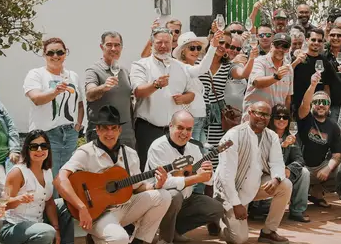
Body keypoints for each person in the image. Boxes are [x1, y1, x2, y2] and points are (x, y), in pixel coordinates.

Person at [56, 105, 171, 244]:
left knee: (163, 196)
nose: (109, 133)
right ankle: (94, 240)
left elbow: (137, 188)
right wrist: (81, 207)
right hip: (96, 214)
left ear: (119, 130)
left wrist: (157, 185)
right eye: (104, 128)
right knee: (119, 242)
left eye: (113, 128)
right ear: (97, 130)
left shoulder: (129, 154)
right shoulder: (85, 152)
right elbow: (60, 179)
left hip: (124, 206)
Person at [214, 101, 292, 244]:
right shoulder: (233, 135)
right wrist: (237, 204)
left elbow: (277, 163)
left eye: (266, 115)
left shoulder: (272, 136)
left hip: (254, 186)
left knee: (285, 185)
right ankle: (219, 221)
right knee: (239, 239)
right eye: (259, 113)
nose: (262, 118)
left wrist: (275, 179)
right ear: (249, 113)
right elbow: (226, 176)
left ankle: (269, 232)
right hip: (231, 190)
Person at [145, 111, 225, 244]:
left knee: (216, 208)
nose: (184, 133)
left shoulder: (193, 146)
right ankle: (164, 239)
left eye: (189, 129)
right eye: (180, 128)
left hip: (186, 198)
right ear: (170, 126)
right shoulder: (158, 147)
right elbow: (164, 183)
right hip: (159, 199)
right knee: (174, 195)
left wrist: (207, 172)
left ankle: (175, 230)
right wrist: (196, 178)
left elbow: (207, 181)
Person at [131, 28, 199, 169]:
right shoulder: (140, 65)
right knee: (148, 171)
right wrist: (156, 84)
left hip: (175, 131)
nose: (163, 46)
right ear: (151, 44)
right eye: (159, 42)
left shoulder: (181, 67)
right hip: (148, 129)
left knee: (177, 170)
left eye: (166, 42)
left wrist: (184, 98)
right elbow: (138, 91)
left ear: (172, 44)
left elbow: (192, 93)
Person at [1, 130, 68, 244]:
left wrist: (57, 229)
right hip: (13, 226)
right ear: (27, 149)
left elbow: (49, 201)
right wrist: (19, 199)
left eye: (44, 146)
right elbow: (2, 203)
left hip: (37, 223)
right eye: (34, 146)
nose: (39, 150)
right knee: (47, 232)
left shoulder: (47, 171)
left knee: (65, 204)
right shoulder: (17, 172)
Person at [23, 37, 83, 182]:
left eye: (59, 52)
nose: (55, 56)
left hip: (70, 134)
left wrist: (78, 125)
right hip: (46, 135)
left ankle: (63, 205)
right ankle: (52, 205)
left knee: (68, 177)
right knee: (49, 178)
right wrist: (55, 91)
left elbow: (80, 104)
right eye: (50, 53)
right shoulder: (36, 74)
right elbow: (36, 99)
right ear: (44, 55)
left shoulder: (73, 76)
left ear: (65, 53)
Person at [296, 76, 341, 211]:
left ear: (329, 106)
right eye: (317, 102)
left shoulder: (333, 126)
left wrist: (328, 168)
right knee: (303, 173)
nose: (321, 105)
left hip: (319, 169)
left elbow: (337, 154)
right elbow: (304, 104)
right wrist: (313, 85)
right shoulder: (306, 118)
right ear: (312, 104)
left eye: (324, 102)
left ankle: (317, 190)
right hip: (301, 168)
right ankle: (298, 206)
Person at [258, 105, 311, 222]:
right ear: (272, 118)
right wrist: (283, 147)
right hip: (268, 172)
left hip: (285, 173)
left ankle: (297, 211)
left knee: (305, 172)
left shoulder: (291, 135)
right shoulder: (266, 134)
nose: (281, 120)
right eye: (278, 117)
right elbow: (267, 160)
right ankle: (262, 208)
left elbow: (299, 159)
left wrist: (289, 168)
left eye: (285, 117)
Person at [201, 32, 253, 148]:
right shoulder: (198, 63)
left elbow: (243, 73)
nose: (223, 46)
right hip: (199, 112)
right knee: (198, 150)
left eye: (227, 45)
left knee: (216, 149)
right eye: (221, 42)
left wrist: (252, 58)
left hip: (218, 114)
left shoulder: (228, 66)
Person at [84, 31, 135, 148]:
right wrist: (104, 87)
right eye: (109, 45)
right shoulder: (93, 70)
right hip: (102, 135)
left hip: (126, 135)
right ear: (101, 47)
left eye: (117, 45)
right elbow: (89, 94)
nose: (113, 48)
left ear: (121, 47)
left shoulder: (125, 71)